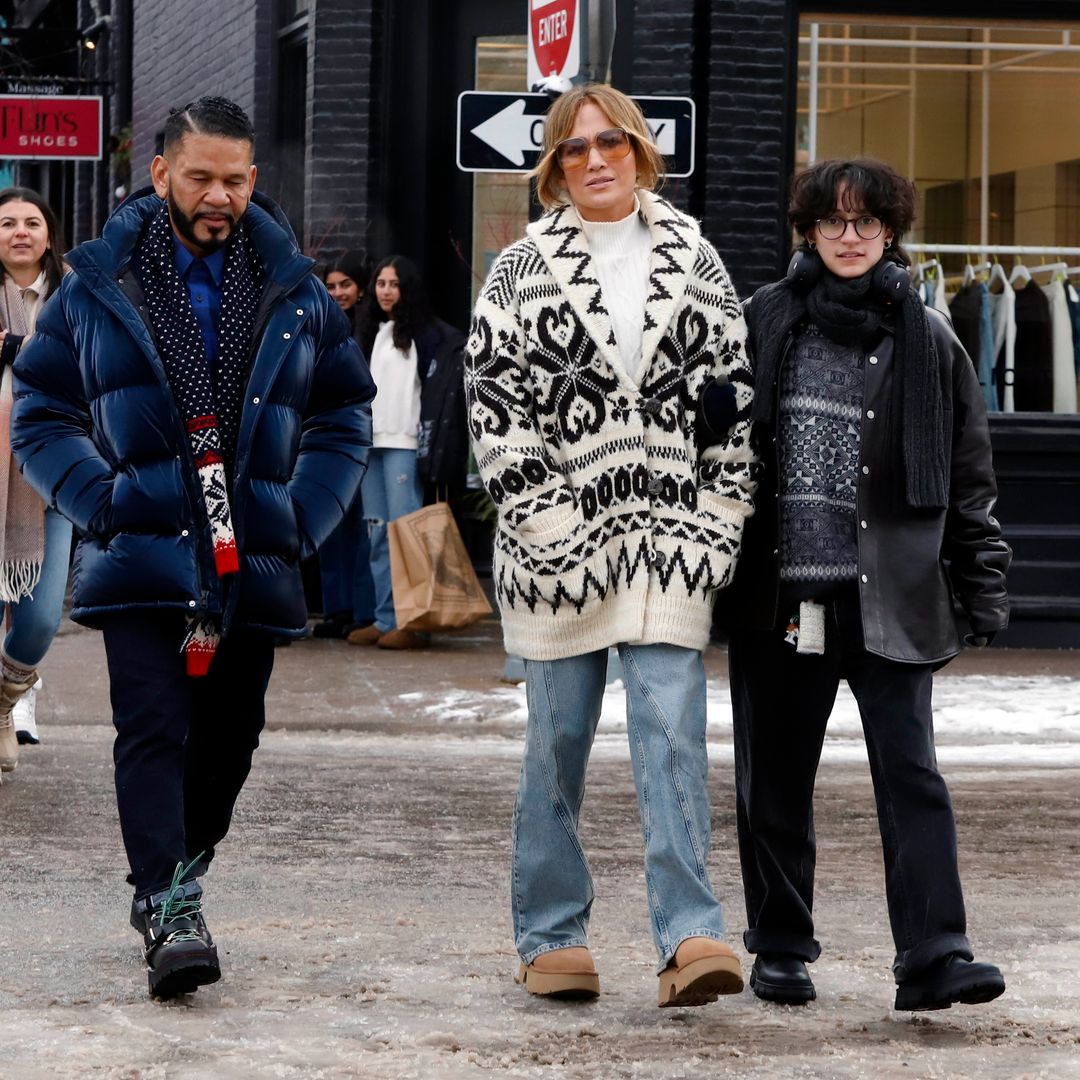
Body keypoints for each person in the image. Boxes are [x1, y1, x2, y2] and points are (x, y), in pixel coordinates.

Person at [11, 96, 374, 999]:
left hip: (251, 548)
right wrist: (101, 502)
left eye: (236, 179)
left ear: (254, 179)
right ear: (163, 173)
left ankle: (178, 876)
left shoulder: (292, 284)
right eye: (202, 177)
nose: (220, 196)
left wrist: (303, 514)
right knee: (152, 728)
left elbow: (342, 409)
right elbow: (42, 408)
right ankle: (168, 906)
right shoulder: (99, 280)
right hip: (144, 549)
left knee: (230, 738)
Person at [464, 84, 757, 1007]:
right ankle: (551, 935)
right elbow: (493, 410)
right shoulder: (518, 272)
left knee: (673, 737)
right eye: (577, 149)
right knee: (557, 744)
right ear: (554, 166)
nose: (597, 161)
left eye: (614, 145)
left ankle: (691, 937)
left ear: (639, 152)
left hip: (670, 546)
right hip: (556, 555)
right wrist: (550, 524)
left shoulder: (697, 261)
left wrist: (715, 525)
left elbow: (733, 408)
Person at [725, 157, 1010, 1012]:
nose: (850, 237)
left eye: (866, 222)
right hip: (783, 592)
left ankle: (934, 954)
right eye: (833, 221)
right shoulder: (764, 321)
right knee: (773, 776)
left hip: (897, 588)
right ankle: (779, 946)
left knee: (912, 774)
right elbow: (724, 456)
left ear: (891, 231)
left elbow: (969, 476)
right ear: (809, 231)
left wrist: (982, 580)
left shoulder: (932, 336)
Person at [348, 254, 468, 650]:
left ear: (407, 288)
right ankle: (386, 619)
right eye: (381, 283)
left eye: (394, 284)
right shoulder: (372, 331)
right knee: (377, 534)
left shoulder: (429, 336)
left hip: (406, 447)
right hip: (372, 446)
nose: (386, 291)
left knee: (406, 534)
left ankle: (414, 623)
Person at [0, 187, 72, 770]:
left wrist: (17, 348)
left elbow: (88, 364)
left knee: (43, 617)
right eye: (6, 223)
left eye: (31, 222)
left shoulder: (77, 296)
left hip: (56, 469)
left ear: (48, 234)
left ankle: (7, 696)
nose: (19, 232)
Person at [311, 251, 376, 639]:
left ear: (361, 288)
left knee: (362, 527)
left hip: (363, 435)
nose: (337, 293)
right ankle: (335, 607)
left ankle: (362, 610)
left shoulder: (372, 330)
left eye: (345, 285)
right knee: (329, 522)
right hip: (324, 434)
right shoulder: (319, 325)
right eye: (331, 286)